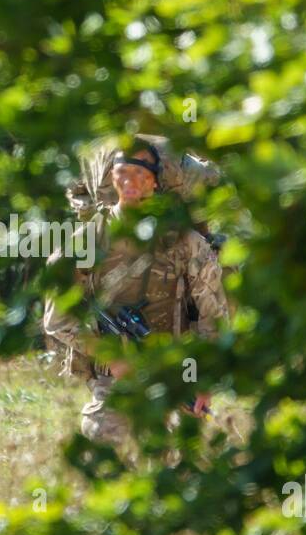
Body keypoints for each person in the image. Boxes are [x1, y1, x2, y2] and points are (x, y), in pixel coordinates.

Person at [43, 141, 228, 447]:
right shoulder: (88, 240)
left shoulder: (187, 242)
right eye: (122, 173)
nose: (130, 181)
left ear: (156, 180)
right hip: (117, 376)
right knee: (103, 440)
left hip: (178, 369)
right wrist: (112, 357)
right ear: (112, 179)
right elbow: (57, 317)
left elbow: (214, 315)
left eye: (140, 173)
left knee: (187, 456)